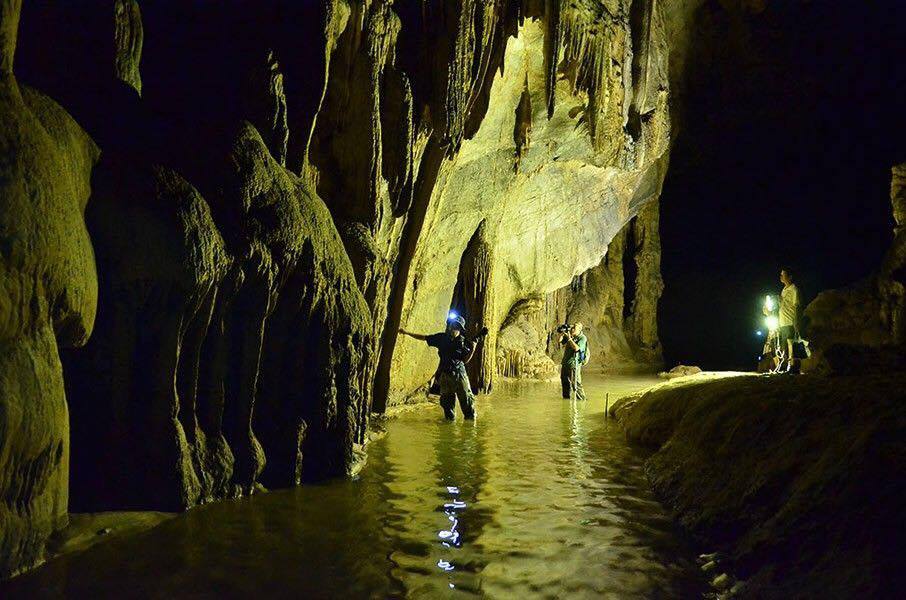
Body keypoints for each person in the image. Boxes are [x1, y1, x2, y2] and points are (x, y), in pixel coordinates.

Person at [399, 314, 477, 420]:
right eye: (453, 325)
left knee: (468, 407)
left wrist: (473, 349)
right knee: (448, 409)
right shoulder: (441, 338)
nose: (454, 328)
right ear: (450, 326)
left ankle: (470, 431)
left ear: (460, 328)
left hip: (460, 375)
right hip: (445, 375)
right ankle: (449, 432)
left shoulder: (463, 342)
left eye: (457, 326)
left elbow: (465, 361)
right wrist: (407, 333)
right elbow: (424, 337)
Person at [776, 267, 800, 372]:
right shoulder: (784, 290)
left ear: (790, 277)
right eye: (781, 274)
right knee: (784, 345)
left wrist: (796, 320)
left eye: (783, 274)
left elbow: (797, 305)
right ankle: (786, 366)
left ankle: (793, 366)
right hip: (783, 322)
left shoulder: (794, 289)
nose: (781, 276)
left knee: (791, 344)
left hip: (790, 320)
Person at [559, 322, 588, 400]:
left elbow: (577, 348)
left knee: (576, 384)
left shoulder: (582, 338)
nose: (572, 329)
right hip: (565, 364)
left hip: (574, 364)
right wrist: (562, 333)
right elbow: (560, 341)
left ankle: (582, 400)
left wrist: (569, 339)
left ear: (579, 329)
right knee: (565, 383)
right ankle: (566, 400)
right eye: (572, 328)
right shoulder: (570, 336)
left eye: (574, 328)